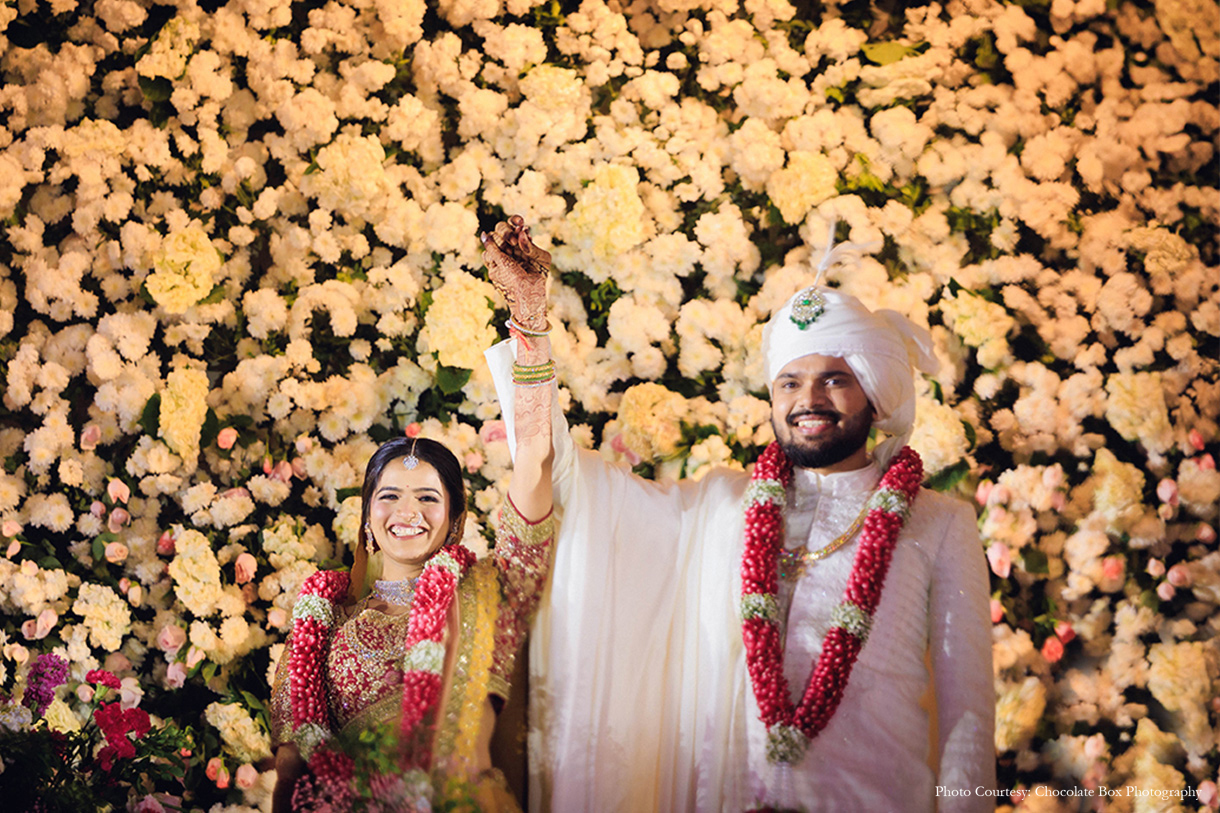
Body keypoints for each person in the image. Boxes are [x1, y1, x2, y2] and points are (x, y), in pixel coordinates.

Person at [483, 229, 996, 812]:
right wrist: (530, 325)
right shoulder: (726, 507)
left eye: (834, 379)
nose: (808, 399)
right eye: (790, 383)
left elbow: (968, 716)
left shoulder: (940, 524)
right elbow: (570, 479)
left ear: (875, 395)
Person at [269, 257, 556, 811]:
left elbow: (535, 458)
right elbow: (290, 770)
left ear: (456, 520)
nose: (408, 512)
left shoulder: (492, 593)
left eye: (428, 498)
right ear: (367, 518)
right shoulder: (326, 618)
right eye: (390, 497)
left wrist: (529, 317)